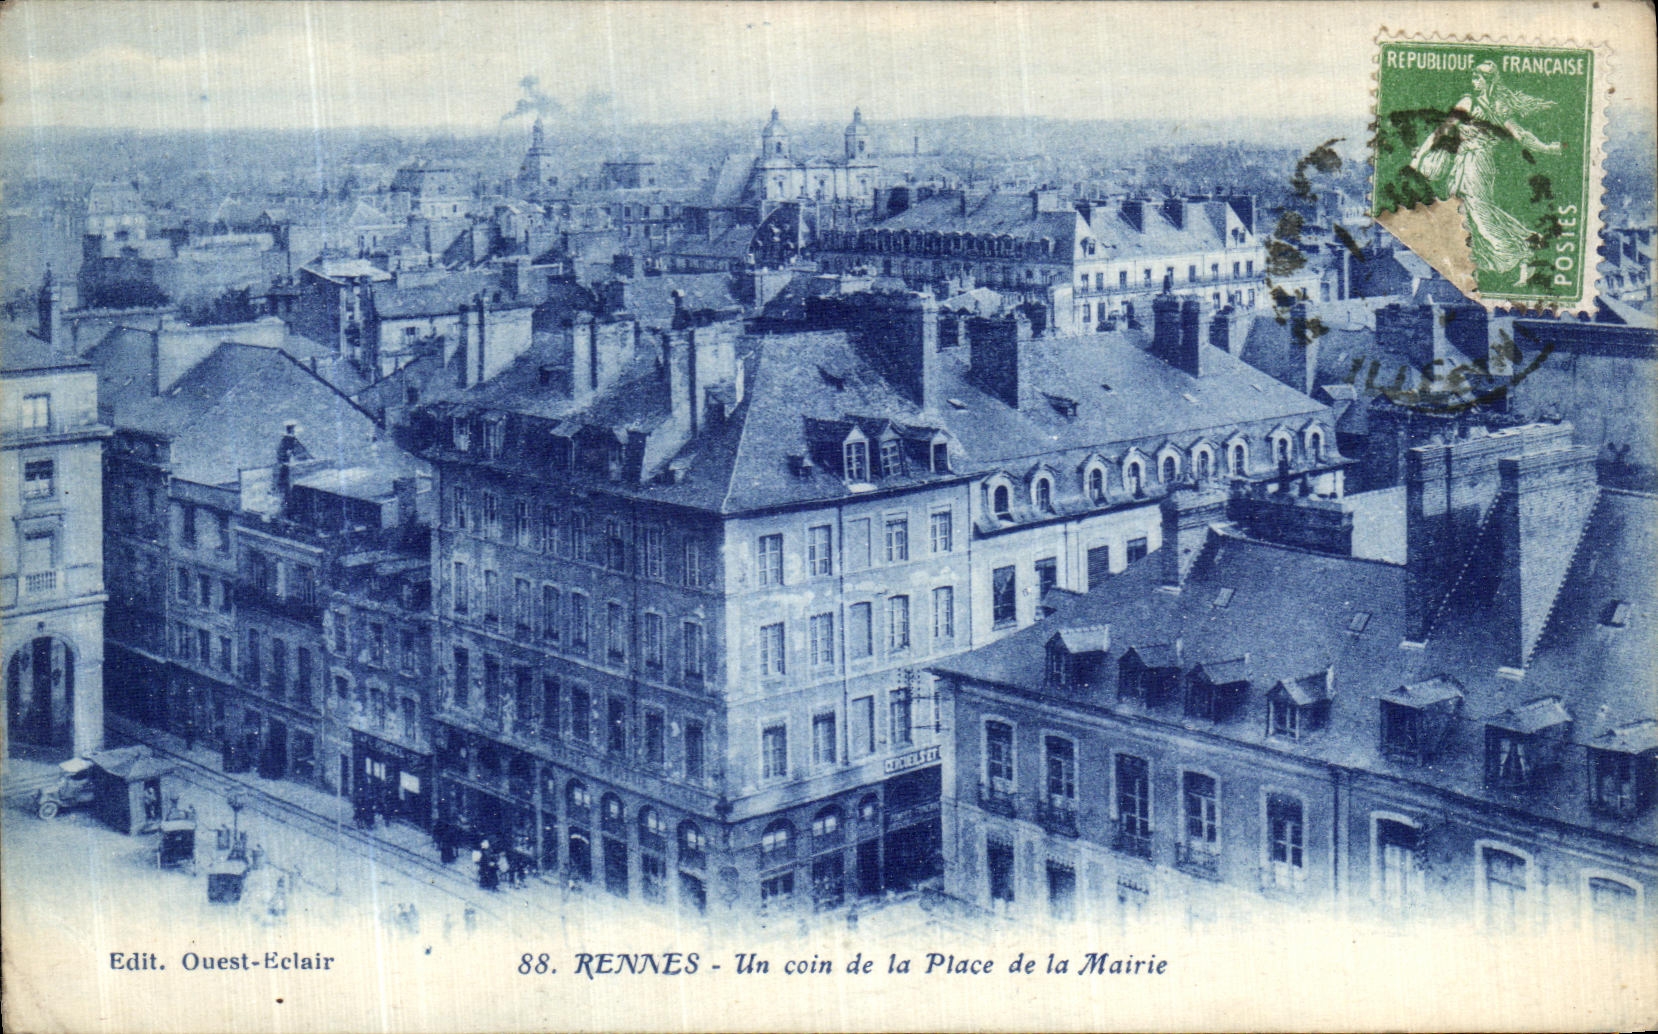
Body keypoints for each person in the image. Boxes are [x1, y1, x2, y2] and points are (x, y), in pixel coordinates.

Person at [1410, 61, 1563, 286]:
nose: (1474, 83)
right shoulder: (1466, 102)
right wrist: (1419, 157)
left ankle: (1518, 254)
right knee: (1465, 213)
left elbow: (1520, 134)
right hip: (1462, 163)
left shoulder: (1499, 108)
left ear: (1489, 81)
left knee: (1479, 213)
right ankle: (1503, 256)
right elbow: (1441, 131)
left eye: (1478, 79)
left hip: (1479, 164)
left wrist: (1546, 148)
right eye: (1473, 78)